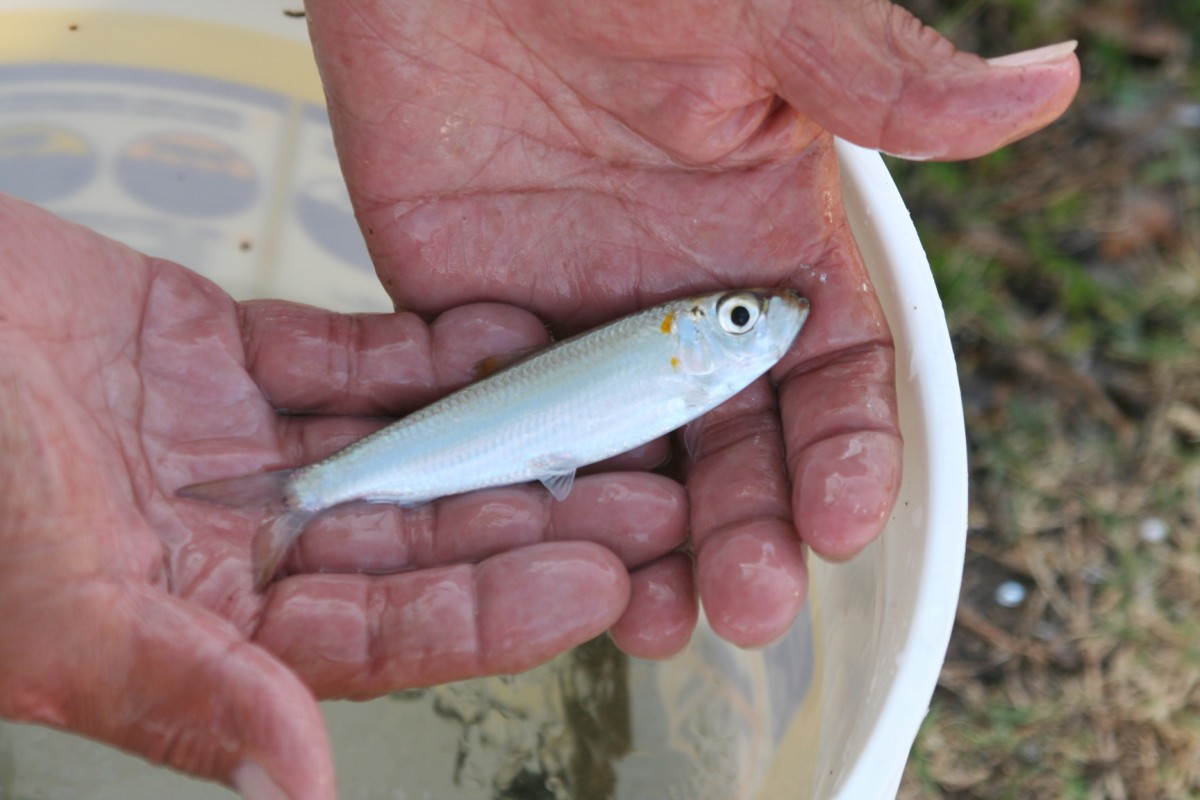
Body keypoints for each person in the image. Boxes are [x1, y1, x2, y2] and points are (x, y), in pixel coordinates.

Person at [0, 0, 1079, 797]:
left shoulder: (687, 354)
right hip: (445, 446)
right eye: (740, 319)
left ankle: (303, 494)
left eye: (741, 314)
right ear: (699, 340)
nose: (765, 319)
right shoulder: (681, 355)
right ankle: (302, 493)